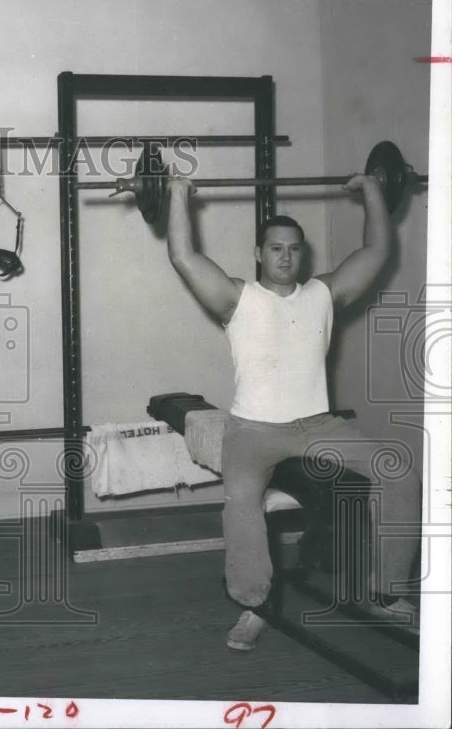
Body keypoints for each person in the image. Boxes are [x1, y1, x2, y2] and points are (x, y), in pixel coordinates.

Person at [165, 172, 422, 652]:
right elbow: (185, 256)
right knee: (242, 502)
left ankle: (386, 592)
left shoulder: (324, 294)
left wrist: (371, 187)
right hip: (253, 430)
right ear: (260, 253)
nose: (286, 256)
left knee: (401, 468)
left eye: (294, 248)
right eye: (276, 248)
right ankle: (254, 605)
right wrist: (178, 193)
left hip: (318, 425)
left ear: (302, 254)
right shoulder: (236, 298)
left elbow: (376, 253)